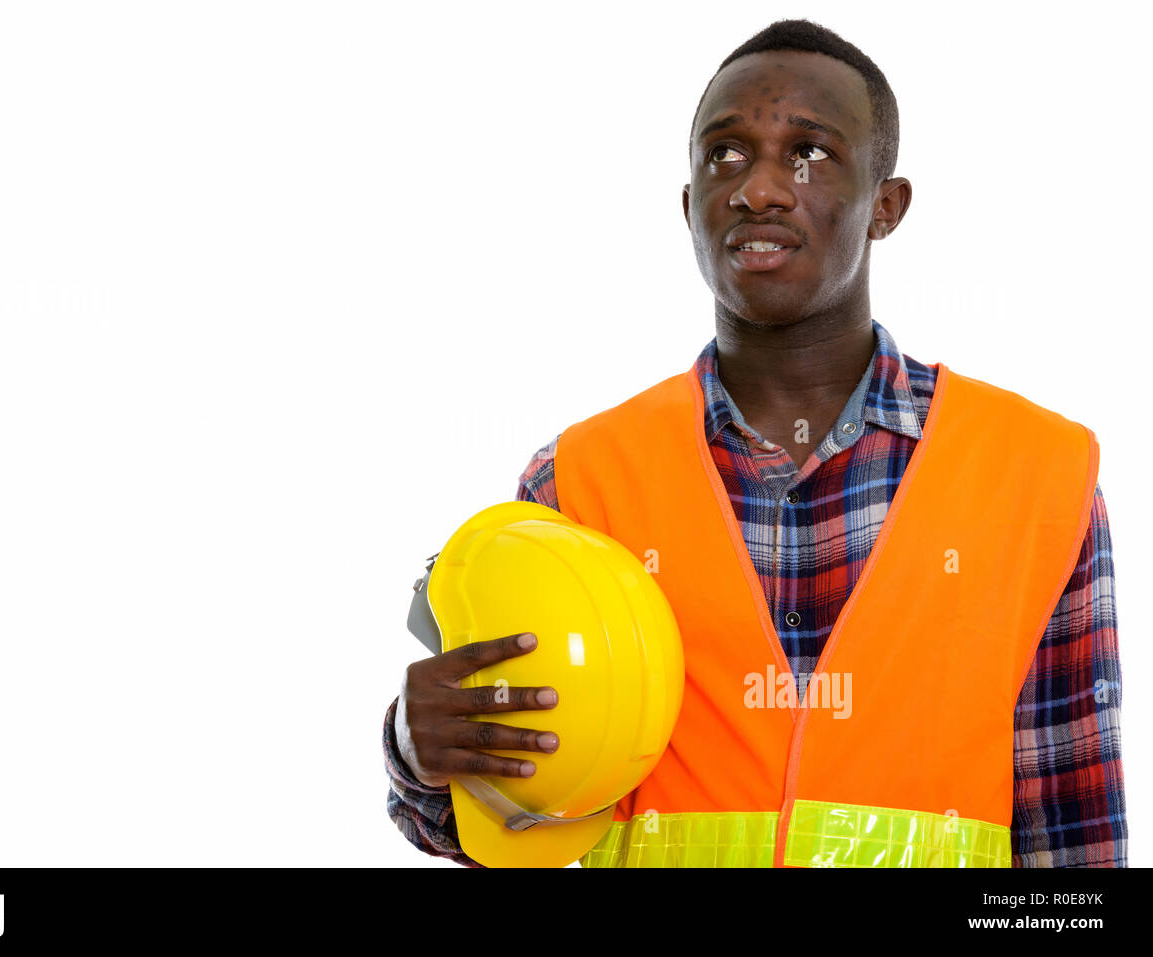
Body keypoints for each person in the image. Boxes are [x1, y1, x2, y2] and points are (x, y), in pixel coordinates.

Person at [383, 18, 1126, 867]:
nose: (759, 189)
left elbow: (1076, 849)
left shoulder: (1035, 475)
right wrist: (416, 745)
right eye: (725, 155)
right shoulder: (579, 483)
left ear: (886, 206)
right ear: (689, 203)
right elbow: (515, 826)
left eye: (809, 153)